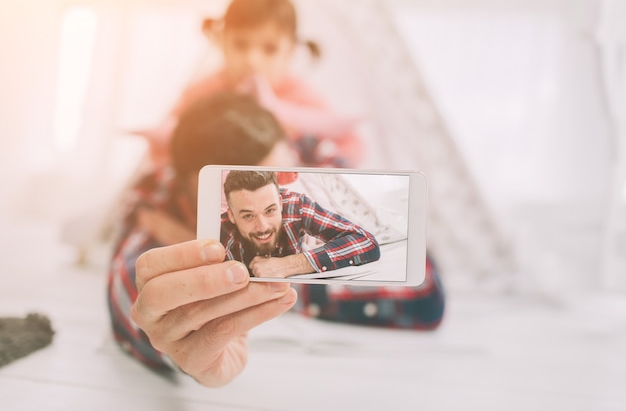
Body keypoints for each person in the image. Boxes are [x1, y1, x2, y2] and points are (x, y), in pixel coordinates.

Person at [108, 92, 444, 388]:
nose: (269, 220)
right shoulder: (157, 203)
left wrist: (288, 270)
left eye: (281, 187)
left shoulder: (299, 178)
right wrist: (175, 345)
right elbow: (134, 295)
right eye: (247, 210)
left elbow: (424, 291)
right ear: (206, 201)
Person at [139, 0, 362, 169]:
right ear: (222, 41)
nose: (252, 60)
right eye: (240, 44)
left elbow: (350, 146)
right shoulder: (204, 91)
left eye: (270, 49)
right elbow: (163, 148)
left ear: (290, 52)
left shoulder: (299, 94)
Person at [221, 170, 380, 277]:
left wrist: (289, 265)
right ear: (232, 216)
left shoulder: (296, 206)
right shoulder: (220, 235)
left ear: (281, 203)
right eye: (248, 216)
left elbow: (366, 241)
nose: (263, 227)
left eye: (270, 211)